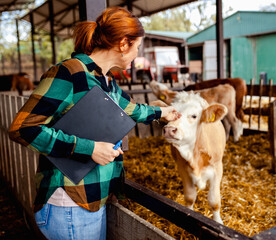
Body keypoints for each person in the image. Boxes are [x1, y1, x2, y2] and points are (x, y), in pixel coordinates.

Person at [8, 6, 180, 240]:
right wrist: (90, 149)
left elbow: (131, 110)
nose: (136, 55)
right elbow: (23, 128)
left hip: (90, 200)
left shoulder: (105, 81)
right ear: (123, 44)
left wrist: (163, 112)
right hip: (69, 203)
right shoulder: (68, 74)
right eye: (137, 48)